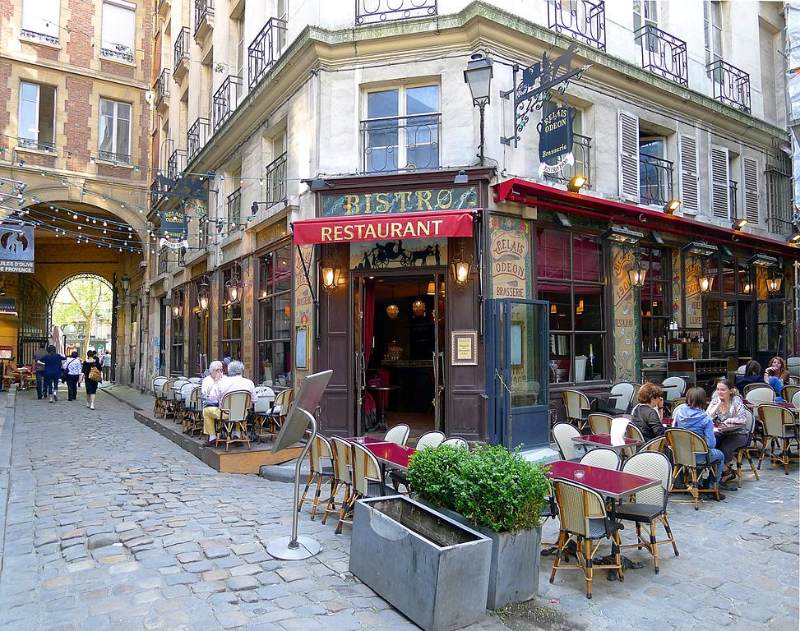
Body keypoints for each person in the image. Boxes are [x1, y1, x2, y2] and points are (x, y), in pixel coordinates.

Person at [673, 387, 726, 498]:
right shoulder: (706, 419)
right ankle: (712, 487)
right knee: (720, 455)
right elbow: (711, 444)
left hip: (681, 455)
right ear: (703, 400)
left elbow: (674, 431)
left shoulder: (679, 413)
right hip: (699, 457)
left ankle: (698, 482)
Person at [706, 377, 749, 489]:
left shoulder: (736, 400)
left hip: (739, 433)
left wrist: (731, 420)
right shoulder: (716, 400)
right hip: (723, 432)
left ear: (730, 390)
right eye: (718, 389)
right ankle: (725, 472)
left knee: (724, 450)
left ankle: (721, 476)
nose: (719, 392)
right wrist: (717, 405)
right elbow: (707, 417)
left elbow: (743, 419)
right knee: (712, 447)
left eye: (723, 390)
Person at [202, 360, 256, 446]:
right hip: (242, 414)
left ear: (229, 370)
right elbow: (254, 400)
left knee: (206, 411)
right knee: (238, 411)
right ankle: (237, 434)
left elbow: (212, 397)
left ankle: (212, 437)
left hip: (225, 414)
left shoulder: (222, 382)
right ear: (241, 370)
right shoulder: (249, 383)